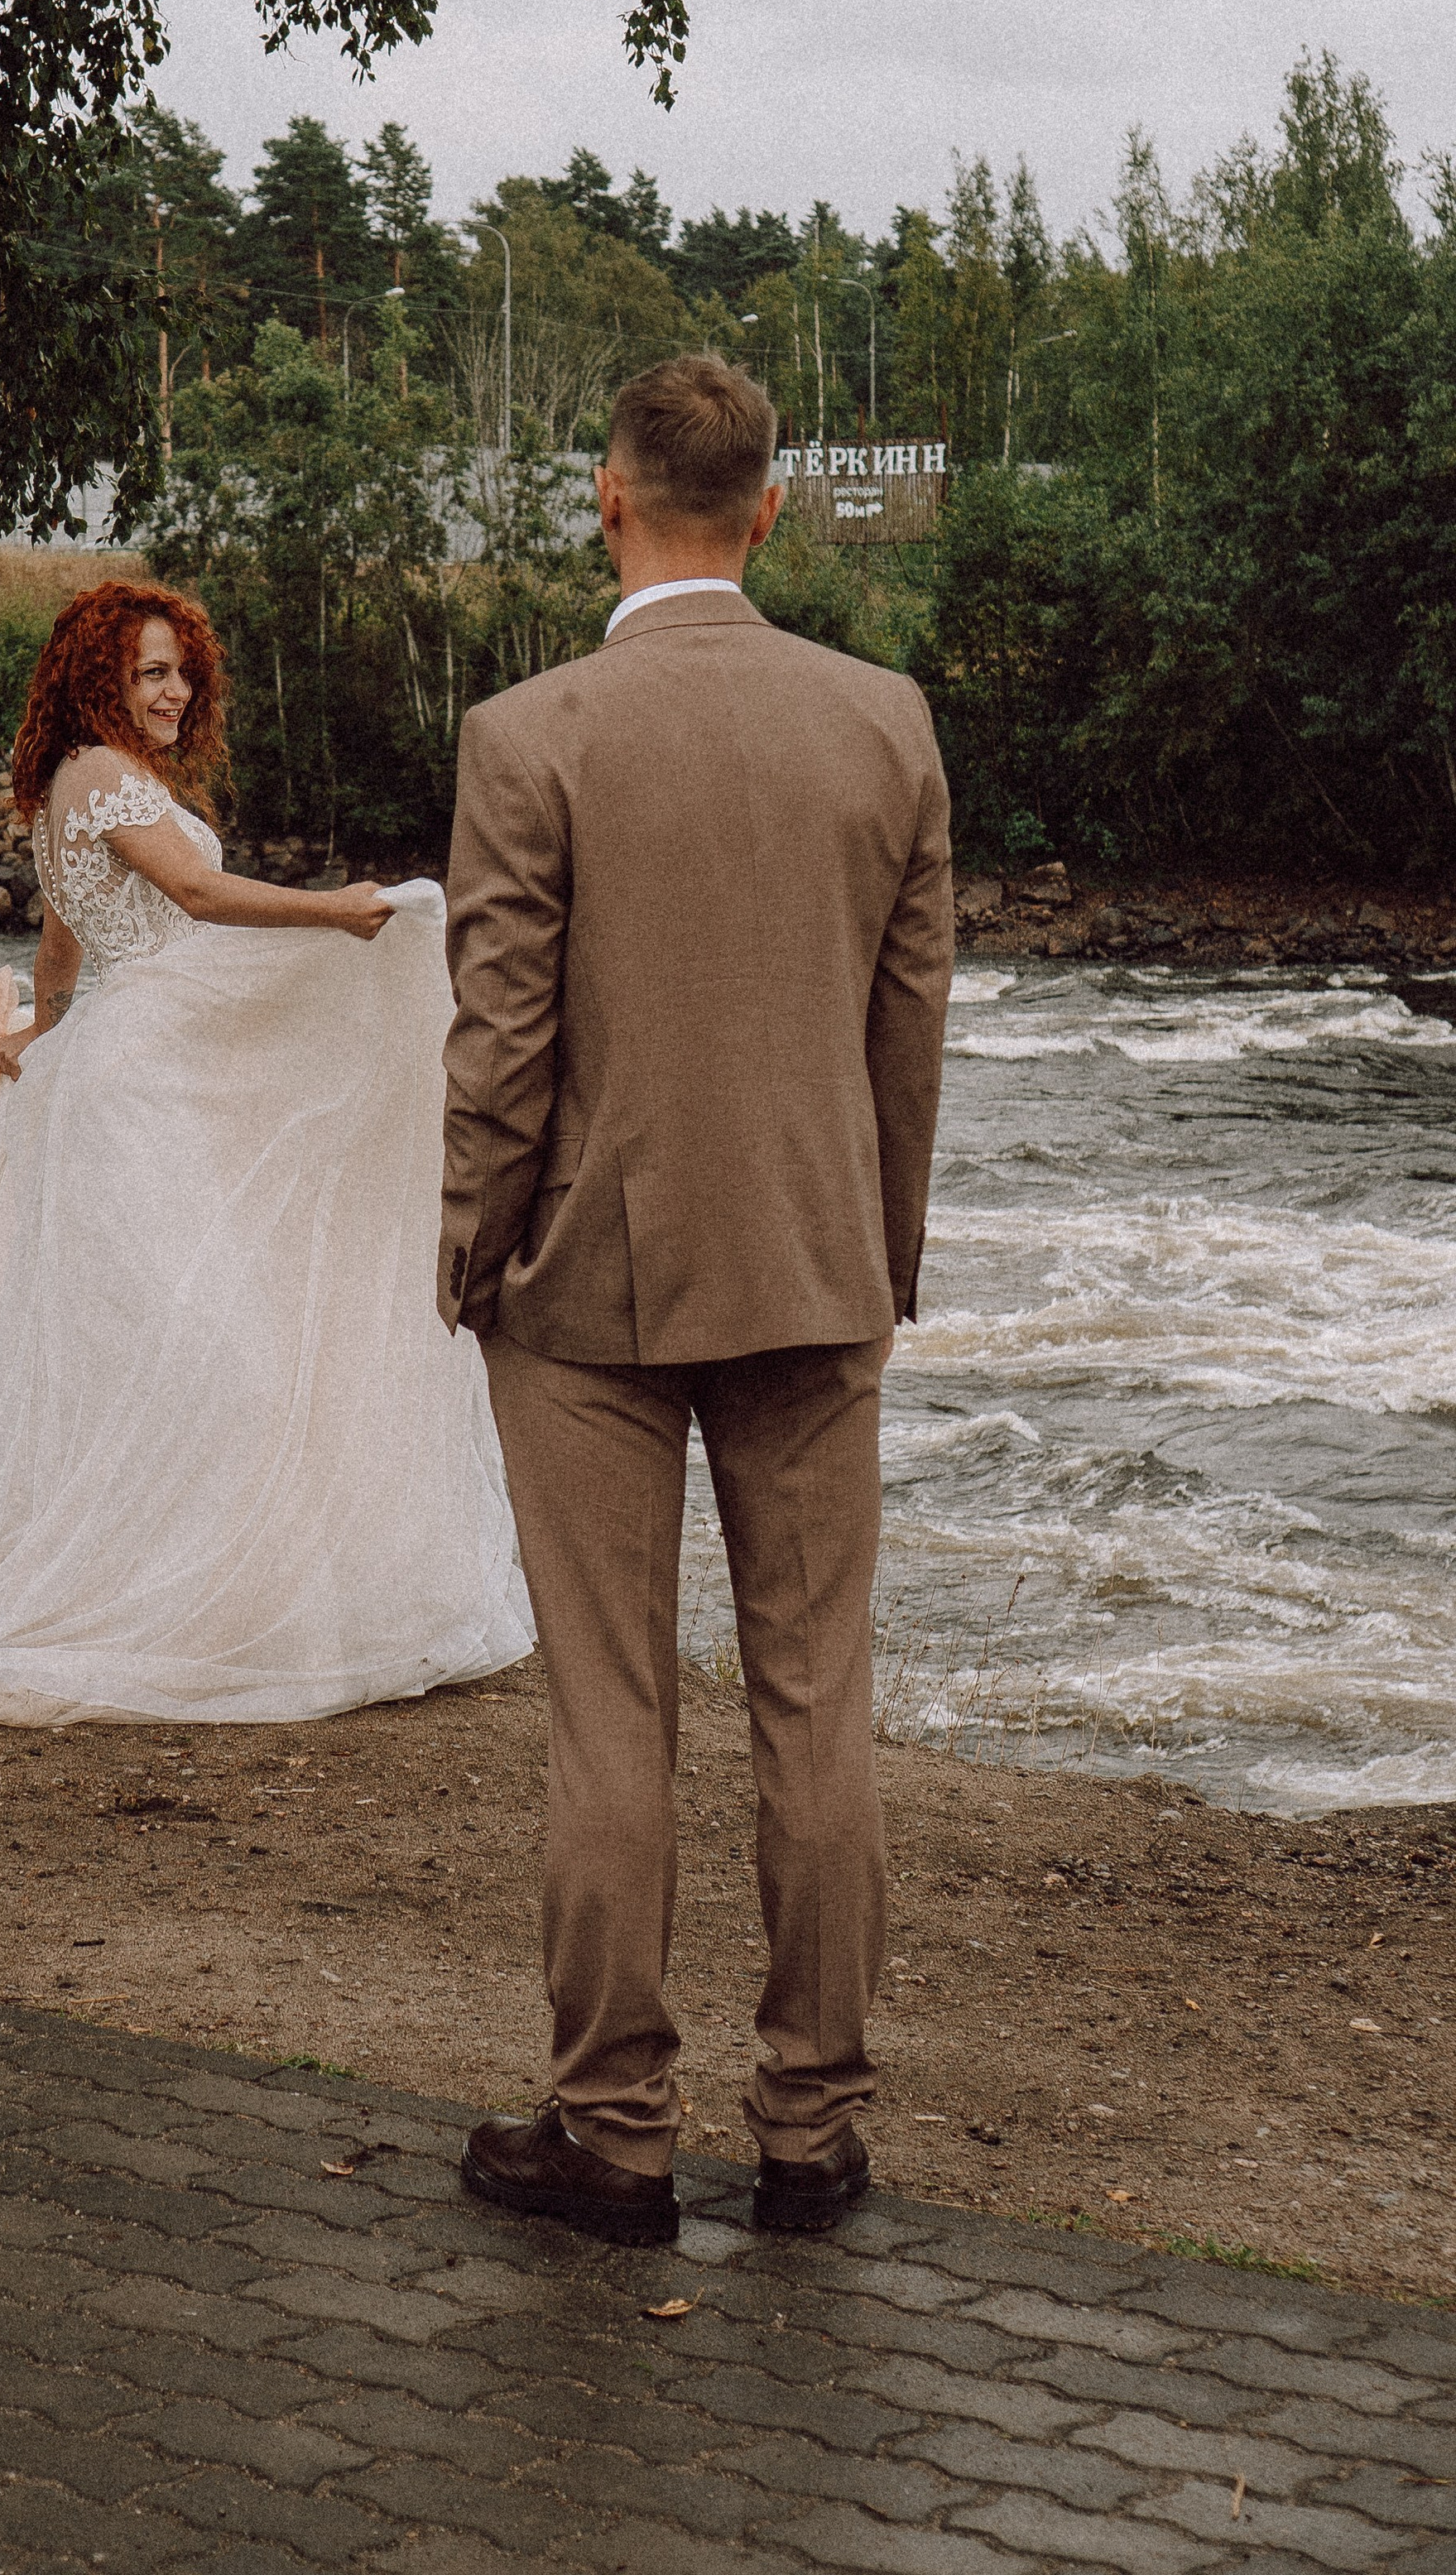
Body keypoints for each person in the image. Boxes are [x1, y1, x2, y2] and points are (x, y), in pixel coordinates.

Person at [441, 355, 953, 2248]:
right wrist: (877, 1252)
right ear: (765, 509)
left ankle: (613, 2134)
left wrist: (467, 1253)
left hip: (585, 1281)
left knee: (612, 1716)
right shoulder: (883, 723)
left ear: (606, 494)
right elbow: (908, 1036)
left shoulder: (530, 733)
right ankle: (812, 2135)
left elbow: (500, 1045)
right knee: (819, 1708)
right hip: (819, 1270)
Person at [0, 579, 532, 1722]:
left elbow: (61, 949)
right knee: (208, 1339)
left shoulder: (81, 786)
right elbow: (196, 892)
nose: (175, 690)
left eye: (180, 671)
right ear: (99, 679)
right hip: (144, 1080)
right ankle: (157, 1596)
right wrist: (340, 913)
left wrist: (39, 1043)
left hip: (126, 1066)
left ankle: (176, 1577)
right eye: (150, 672)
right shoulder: (106, 778)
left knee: (141, 1341)